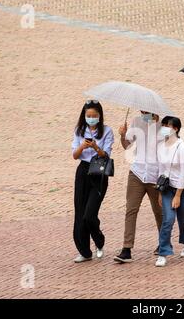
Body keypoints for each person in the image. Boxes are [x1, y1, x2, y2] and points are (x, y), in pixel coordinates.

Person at [113, 111, 163, 263]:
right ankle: (126, 248)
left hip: (156, 175)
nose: (143, 113)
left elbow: (168, 153)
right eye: (142, 111)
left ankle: (163, 242)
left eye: (146, 111)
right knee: (131, 209)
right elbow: (127, 146)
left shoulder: (165, 126)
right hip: (137, 172)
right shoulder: (136, 121)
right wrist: (122, 135)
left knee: (159, 211)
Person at [71, 100, 114, 262]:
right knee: (80, 214)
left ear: (100, 116)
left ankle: (99, 240)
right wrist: (82, 146)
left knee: (90, 214)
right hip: (83, 172)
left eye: (94, 116)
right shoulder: (79, 131)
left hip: (99, 172)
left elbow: (106, 155)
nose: (91, 118)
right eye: (88, 116)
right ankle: (84, 251)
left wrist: (96, 147)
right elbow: (75, 155)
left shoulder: (107, 131)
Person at [155, 116, 184, 267]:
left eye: (168, 125)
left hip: (183, 189)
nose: (164, 128)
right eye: (163, 125)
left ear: (176, 129)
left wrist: (178, 195)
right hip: (167, 188)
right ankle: (163, 253)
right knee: (168, 220)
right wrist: (160, 192)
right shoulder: (160, 146)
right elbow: (160, 170)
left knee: (183, 220)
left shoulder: (182, 147)